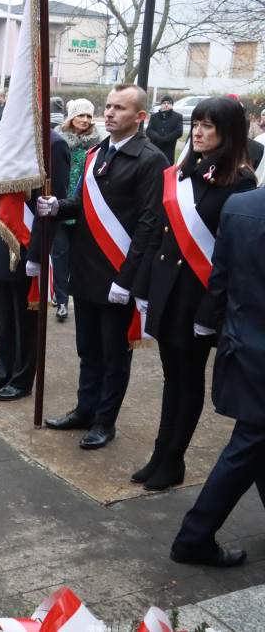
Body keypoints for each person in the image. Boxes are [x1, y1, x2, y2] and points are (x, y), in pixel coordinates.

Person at [129, 96, 257, 491]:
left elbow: (228, 256)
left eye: (207, 126)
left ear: (228, 132)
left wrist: (210, 312)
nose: (197, 133)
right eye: (195, 124)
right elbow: (158, 234)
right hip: (169, 289)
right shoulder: (183, 172)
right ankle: (160, 453)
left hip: (200, 295)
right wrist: (145, 288)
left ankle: (173, 459)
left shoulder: (240, 180)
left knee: (188, 378)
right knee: (171, 376)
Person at [37, 84, 170, 450]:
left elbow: (148, 224)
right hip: (87, 268)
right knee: (88, 349)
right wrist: (57, 207)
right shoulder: (98, 152)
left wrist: (127, 280)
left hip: (118, 274)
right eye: (107, 107)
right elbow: (81, 201)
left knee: (114, 355)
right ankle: (84, 409)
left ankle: (104, 421)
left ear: (140, 116)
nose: (108, 113)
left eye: (120, 108)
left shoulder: (150, 159)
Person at [167, 185, 265, 568]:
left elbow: (220, 277)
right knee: (248, 445)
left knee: (255, 441)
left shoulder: (239, 205)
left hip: (243, 342)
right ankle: (194, 537)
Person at [0, 130, 69, 399]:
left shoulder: (54, 145)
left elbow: (53, 205)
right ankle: (3, 370)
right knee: (3, 314)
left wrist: (38, 252)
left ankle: (22, 378)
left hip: (29, 241)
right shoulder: (11, 134)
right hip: (3, 233)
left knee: (25, 318)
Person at [52, 99, 103, 322]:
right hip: (61, 205)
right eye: (80, 115)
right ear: (71, 117)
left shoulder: (97, 144)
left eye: (88, 116)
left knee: (77, 256)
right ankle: (62, 300)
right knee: (60, 254)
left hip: (83, 207)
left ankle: (68, 293)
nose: (84, 120)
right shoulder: (59, 140)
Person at [147, 95, 184, 162]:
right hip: (155, 146)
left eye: (168, 103)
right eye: (164, 103)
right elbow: (149, 130)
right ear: (161, 105)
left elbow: (179, 131)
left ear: (172, 105)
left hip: (169, 148)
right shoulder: (154, 116)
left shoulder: (178, 117)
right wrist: (157, 138)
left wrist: (165, 139)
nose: (166, 105)